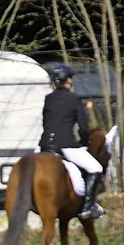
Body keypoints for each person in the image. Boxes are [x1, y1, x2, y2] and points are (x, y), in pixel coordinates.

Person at [38, 64, 105, 219]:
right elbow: (83, 126)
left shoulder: (48, 99)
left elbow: (45, 122)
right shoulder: (74, 98)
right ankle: (87, 207)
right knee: (96, 168)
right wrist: (83, 142)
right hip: (66, 146)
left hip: (44, 145)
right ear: (68, 80)